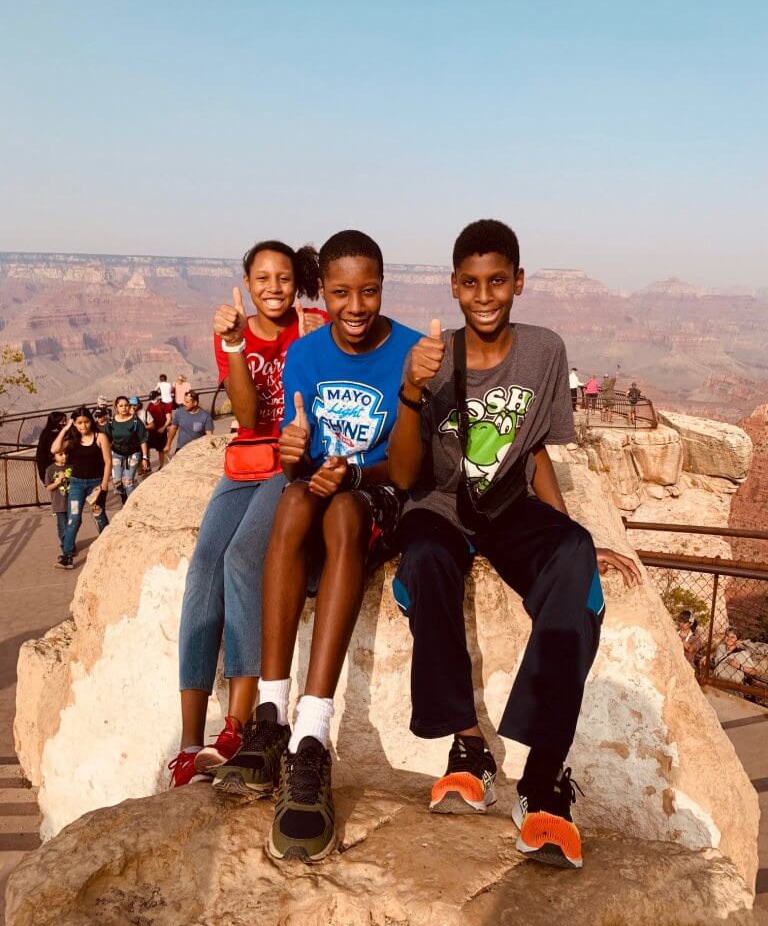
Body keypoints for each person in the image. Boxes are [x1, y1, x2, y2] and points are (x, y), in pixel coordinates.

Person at [387, 219, 641, 871]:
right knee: (425, 564)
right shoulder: (429, 360)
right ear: (453, 285)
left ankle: (543, 779)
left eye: (497, 281)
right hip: (438, 506)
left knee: (575, 567)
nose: (484, 295)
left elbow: (535, 452)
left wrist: (571, 536)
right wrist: (411, 392)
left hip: (506, 506)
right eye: (470, 283)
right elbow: (406, 472)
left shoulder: (544, 351)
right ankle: (468, 746)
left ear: (518, 282)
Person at [218, 230, 420, 863]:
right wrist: (293, 454)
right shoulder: (306, 354)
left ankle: (312, 735)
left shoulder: (410, 352)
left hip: (375, 494)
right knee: (295, 502)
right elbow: (292, 458)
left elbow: (411, 470)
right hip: (317, 488)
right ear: (323, 293)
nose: (354, 307)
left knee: (343, 516)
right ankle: (271, 716)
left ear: (382, 287)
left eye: (368, 291)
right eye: (339, 293)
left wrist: (355, 473)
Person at [168, 240, 328, 789]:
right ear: (247, 283)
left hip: (291, 465)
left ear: (297, 281)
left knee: (242, 559)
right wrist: (235, 345)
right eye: (262, 278)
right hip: (243, 464)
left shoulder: (314, 325)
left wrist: (315, 344)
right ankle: (190, 743)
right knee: (202, 571)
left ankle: (236, 726)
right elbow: (247, 413)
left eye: (283, 277)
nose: (273, 287)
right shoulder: (231, 331)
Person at [50, 407, 112, 569]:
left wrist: (104, 485)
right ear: (75, 424)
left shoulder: (100, 437)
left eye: (86, 422)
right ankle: (67, 556)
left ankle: (109, 545)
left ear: (91, 421)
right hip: (77, 484)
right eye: (79, 423)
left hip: (95, 484)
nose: (83, 426)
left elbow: (108, 462)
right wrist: (65, 429)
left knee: (98, 513)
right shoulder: (72, 440)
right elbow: (54, 449)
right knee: (73, 518)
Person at [104, 395, 150, 503]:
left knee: (128, 481)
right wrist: (106, 457)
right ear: (116, 407)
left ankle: (133, 504)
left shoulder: (135, 421)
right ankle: (124, 497)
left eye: (126, 405)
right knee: (116, 481)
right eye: (121, 406)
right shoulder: (111, 422)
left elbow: (143, 439)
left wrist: (145, 458)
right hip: (117, 453)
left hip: (133, 453)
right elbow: (106, 440)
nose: (124, 408)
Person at [44, 449, 72, 554]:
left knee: (72, 525)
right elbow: (48, 487)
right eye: (61, 454)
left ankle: (70, 544)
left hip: (71, 502)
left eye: (66, 453)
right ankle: (65, 546)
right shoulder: (50, 469)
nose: (64, 456)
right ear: (54, 456)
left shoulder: (71, 467)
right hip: (59, 504)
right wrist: (58, 481)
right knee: (62, 526)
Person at [35, 411, 67, 483]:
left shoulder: (47, 433)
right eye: (62, 421)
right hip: (51, 468)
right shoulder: (49, 435)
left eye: (65, 421)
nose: (65, 423)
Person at [146, 390, 171, 469]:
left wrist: (163, 428)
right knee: (147, 448)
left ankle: (161, 466)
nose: (152, 400)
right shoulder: (150, 405)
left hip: (161, 431)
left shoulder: (165, 405)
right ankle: (148, 466)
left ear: (158, 397)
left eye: (153, 398)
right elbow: (147, 416)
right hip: (151, 431)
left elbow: (169, 418)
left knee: (161, 450)